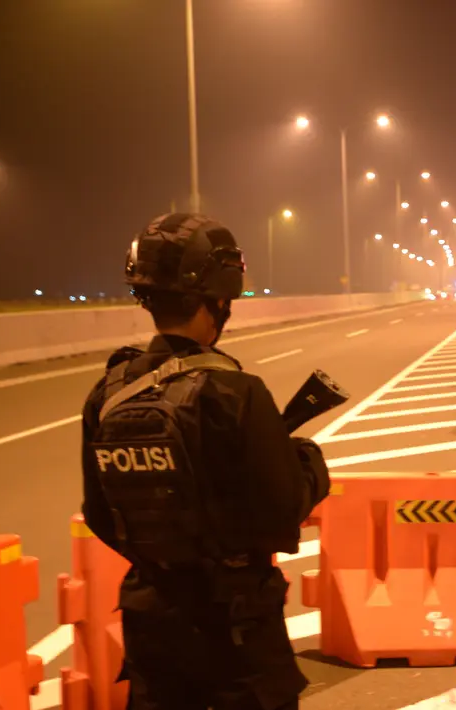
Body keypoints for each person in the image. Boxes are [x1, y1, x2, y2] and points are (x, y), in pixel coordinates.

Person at [80, 212, 331, 710]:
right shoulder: (235, 391)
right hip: (237, 633)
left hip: (151, 624)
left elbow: (99, 513)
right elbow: (281, 514)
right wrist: (308, 465)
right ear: (219, 299)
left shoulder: (107, 393)